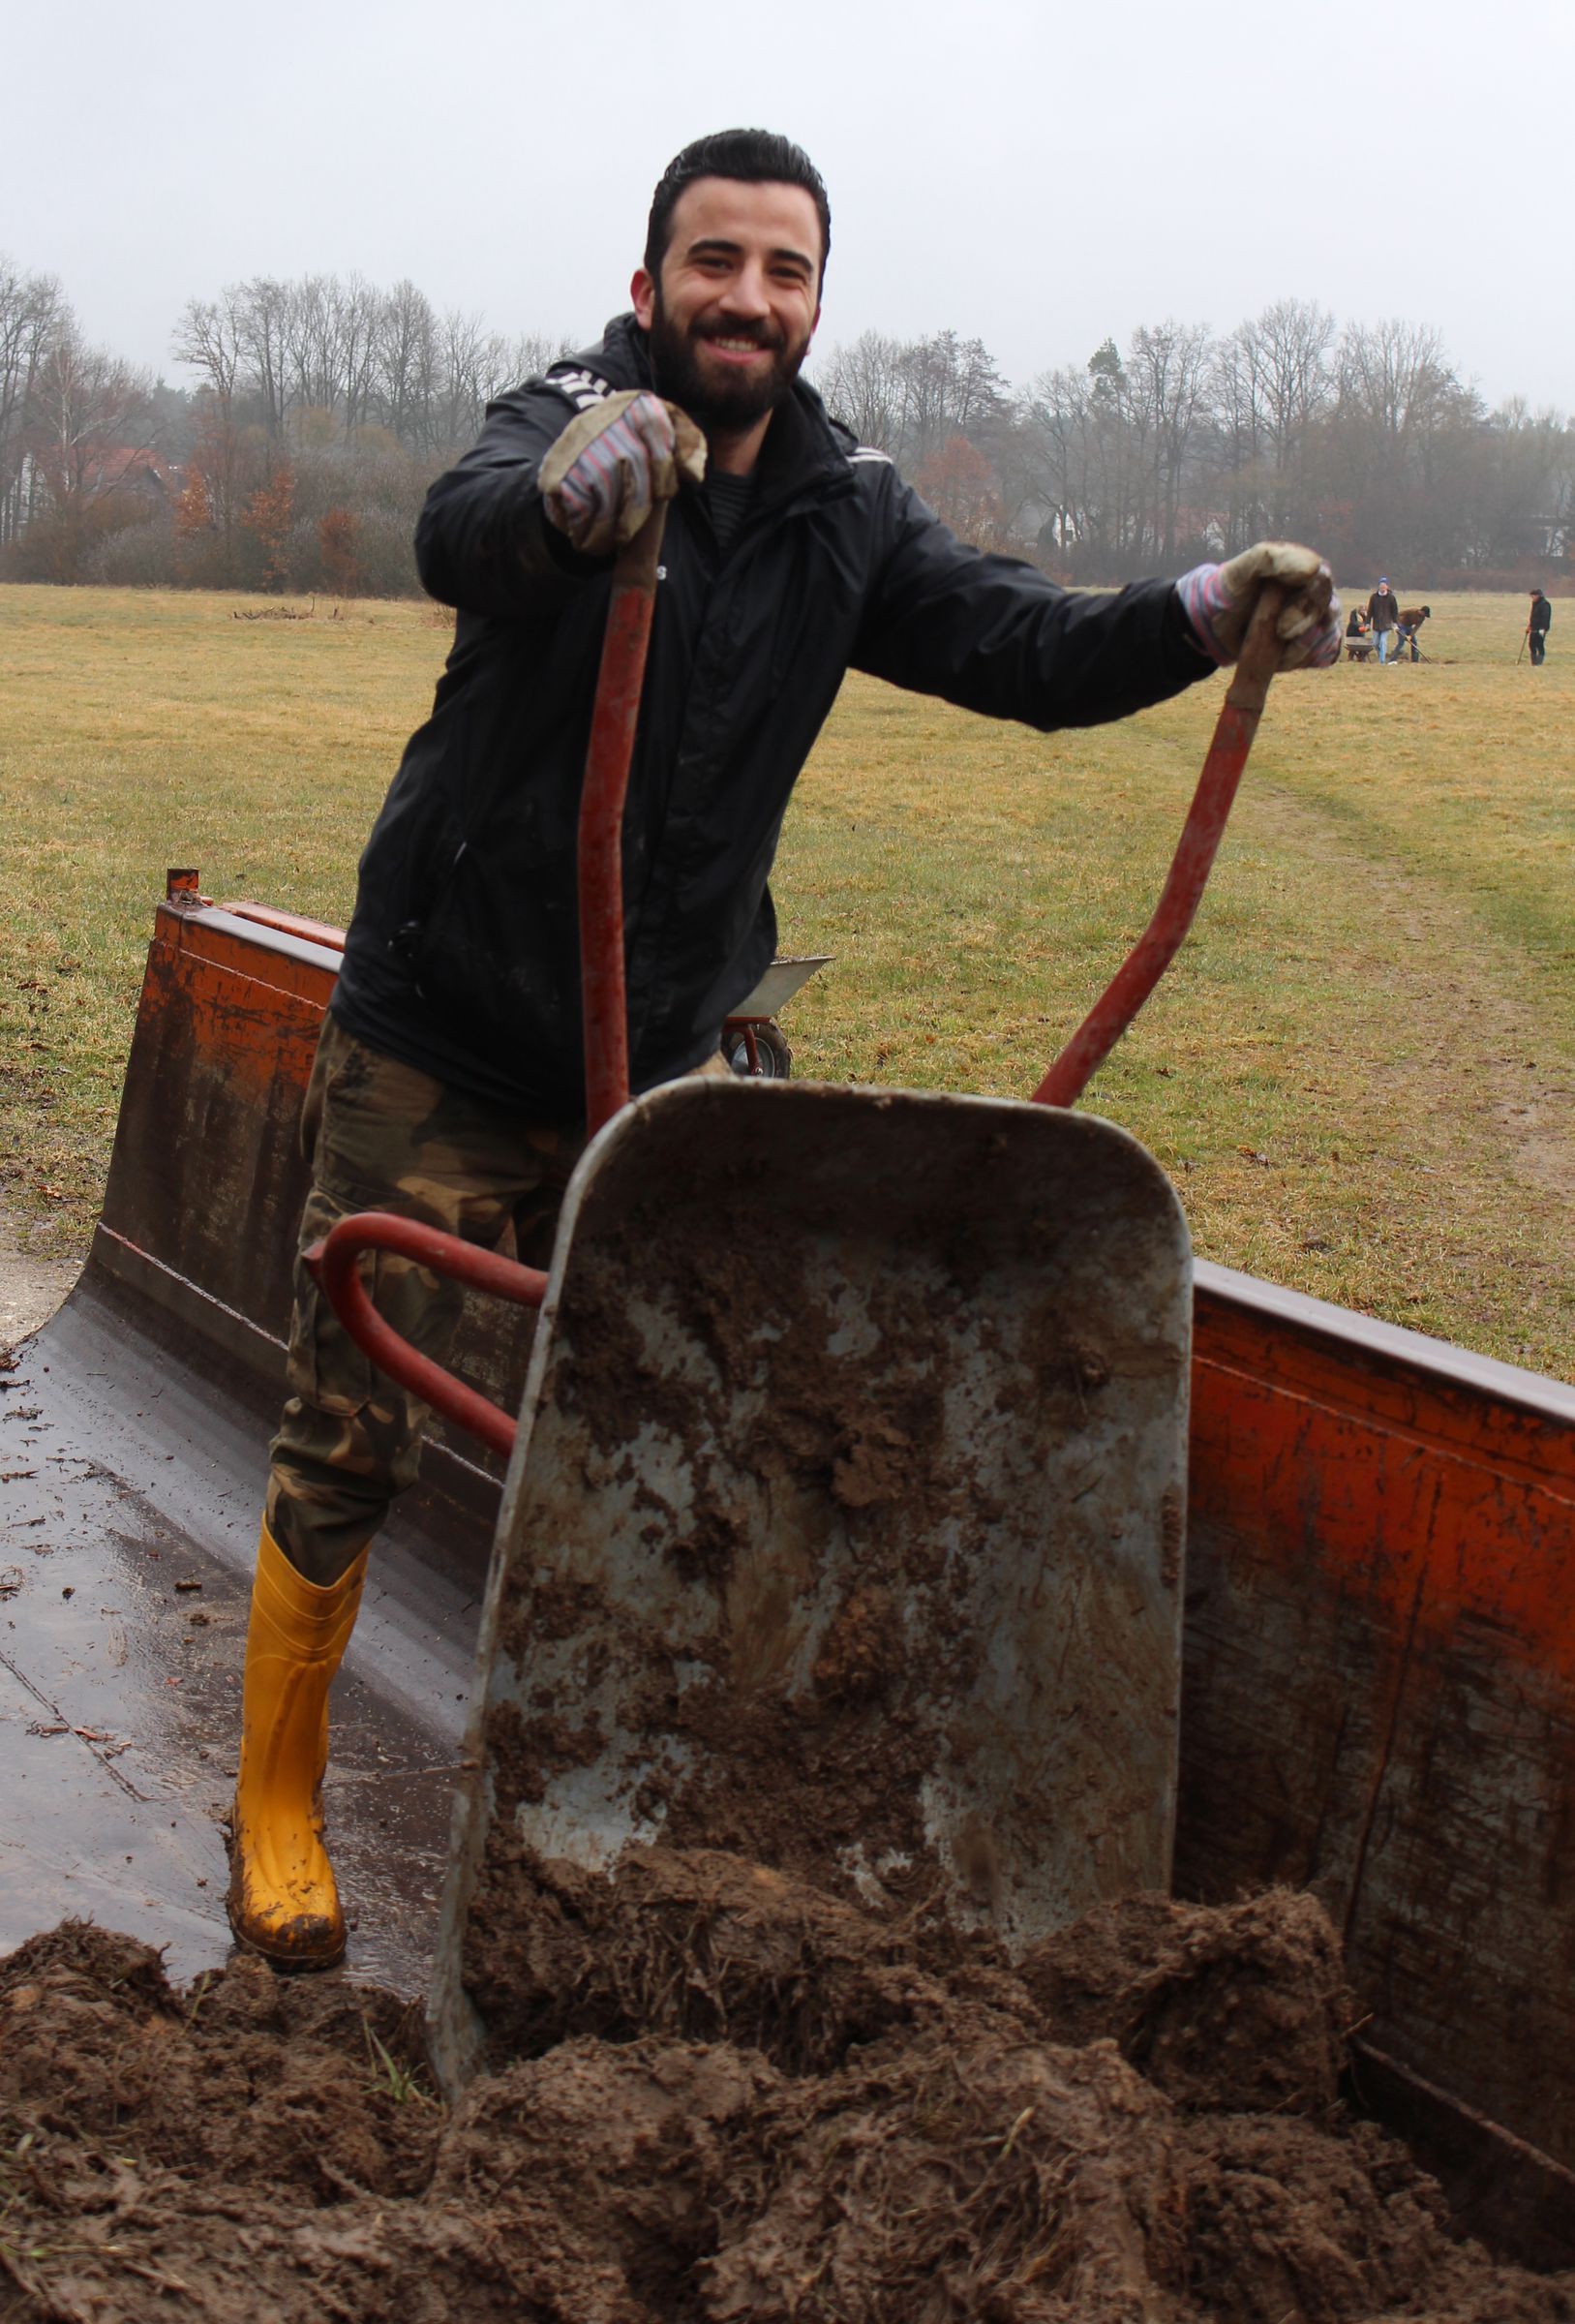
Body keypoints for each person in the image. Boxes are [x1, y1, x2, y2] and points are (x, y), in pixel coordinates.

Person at [227, 126, 1344, 1969]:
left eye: (786, 270)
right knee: (352, 1425)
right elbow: (467, 527)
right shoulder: (564, 418)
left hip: (657, 1065)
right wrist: (574, 497)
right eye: (716, 260)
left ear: (819, 300)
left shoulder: (847, 509)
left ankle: (650, 1812)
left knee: (677, 1432)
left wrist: (1200, 612)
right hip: (443, 1030)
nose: (747, 298)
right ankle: (279, 1803)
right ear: (653, 272)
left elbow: (1021, 647)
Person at [1368, 578, 1402, 663]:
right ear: (1379, 587)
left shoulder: (1391, 598)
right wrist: (1367, 623)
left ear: (1387, 586)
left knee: (1383, 642)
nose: (1382, 588)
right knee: (1375, 644)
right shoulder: (1373, 597)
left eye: (1384, 586)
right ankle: (1381, 655)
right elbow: (1369, 611)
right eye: (1381, 586)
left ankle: (1382, 661)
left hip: (1386, 625)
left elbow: (1395, 612)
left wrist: (1395, 624)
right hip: (1376, 625)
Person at [1528, 588, 1552, 665]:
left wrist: (1543, 628)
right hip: (1534, 628)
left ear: (1538, 596)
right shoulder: (1535, 604)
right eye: (1532, 596)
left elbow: (1546, 617)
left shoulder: (1545, 604)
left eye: (1533, 596)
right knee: (1531, 645)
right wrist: (1530, 625)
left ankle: (1539, 663)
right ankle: (1534, 663)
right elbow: (1533, 616)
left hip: (1541, 629)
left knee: (1539, 645)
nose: (1532, 598)